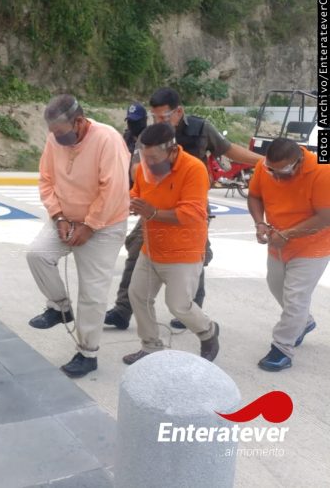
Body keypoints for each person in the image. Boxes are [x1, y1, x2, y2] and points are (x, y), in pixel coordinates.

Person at [104, 87, 263, 330]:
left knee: (194, 254)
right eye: (155, 116)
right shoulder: (149, 135)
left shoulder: (201, 129)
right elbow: (136, 167)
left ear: (178, 112)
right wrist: (147, 179)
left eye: (164, 116)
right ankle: (123, 310)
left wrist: (264, 162)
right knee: (137, 249)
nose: (158, 121)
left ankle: (190, 310)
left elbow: (228, 149)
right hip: (154, 205)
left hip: (191, 204)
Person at [25, 94, 130, 378]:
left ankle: (87, 353)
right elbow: (46, 179)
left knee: (92, 293)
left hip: (104, 225)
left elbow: (113, 189)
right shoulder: (55, 139)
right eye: (52, 133)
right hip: (65, 219)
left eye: (61, 133)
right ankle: (60, 308)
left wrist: (90, 226)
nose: (57, 139)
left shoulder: (107, 139)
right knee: (37, 255)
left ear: (79, 122)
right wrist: (58, 216)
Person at [122, 123, 220, 364]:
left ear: (173, 150)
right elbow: (137, 192)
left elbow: (193, 212)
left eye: (154, 158)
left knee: (179, 306)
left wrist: (153, 213)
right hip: (151, 248)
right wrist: (132, 202)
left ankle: (208, 331)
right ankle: (150, 347)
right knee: (138, 296)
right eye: (145, 158)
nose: (149, 163)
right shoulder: (146, 167)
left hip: (183, 252)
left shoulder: (194, 169)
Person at [247, 138, 330, 371]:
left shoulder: (322, 171)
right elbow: (254, 196)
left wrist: (288, 234)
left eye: (281, 171)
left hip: (313, 244)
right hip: (279, 241)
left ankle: (282, 348)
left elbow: (326, 217)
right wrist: (259, 223)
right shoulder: (264, 167)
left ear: (298, 162)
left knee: (295, 296)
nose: (274, 176)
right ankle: (304, 322)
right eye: (270, 170)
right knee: (276, 286)